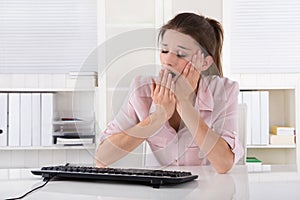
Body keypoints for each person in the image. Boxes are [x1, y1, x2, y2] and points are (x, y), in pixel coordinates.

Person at [95, 12, 244, 173]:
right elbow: (102, 157)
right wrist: (158, 116)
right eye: (165, 51)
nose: (168, 61)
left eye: (180, 54)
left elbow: (224, 164)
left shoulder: (224, 91)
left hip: (207, 191)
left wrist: (184, 105)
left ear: (205, 62)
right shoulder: (143, 90)